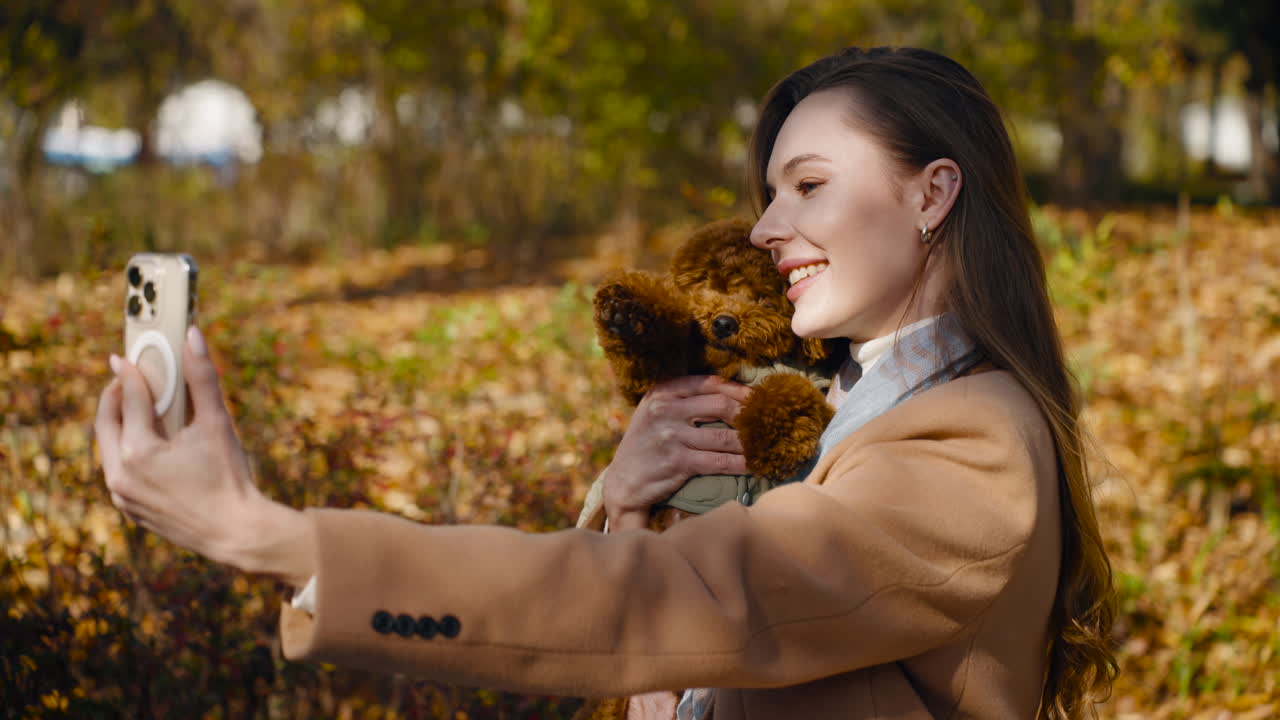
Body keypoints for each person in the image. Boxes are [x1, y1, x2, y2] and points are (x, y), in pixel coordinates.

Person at [96, 46, 1117, 719]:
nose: (763, 230)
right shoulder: (844, 409)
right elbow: (664, 649)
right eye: (767, 194)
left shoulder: (967, 441)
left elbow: (684, 603)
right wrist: (626, 507)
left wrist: (268, 535)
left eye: (807, 186)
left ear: (933, 193)